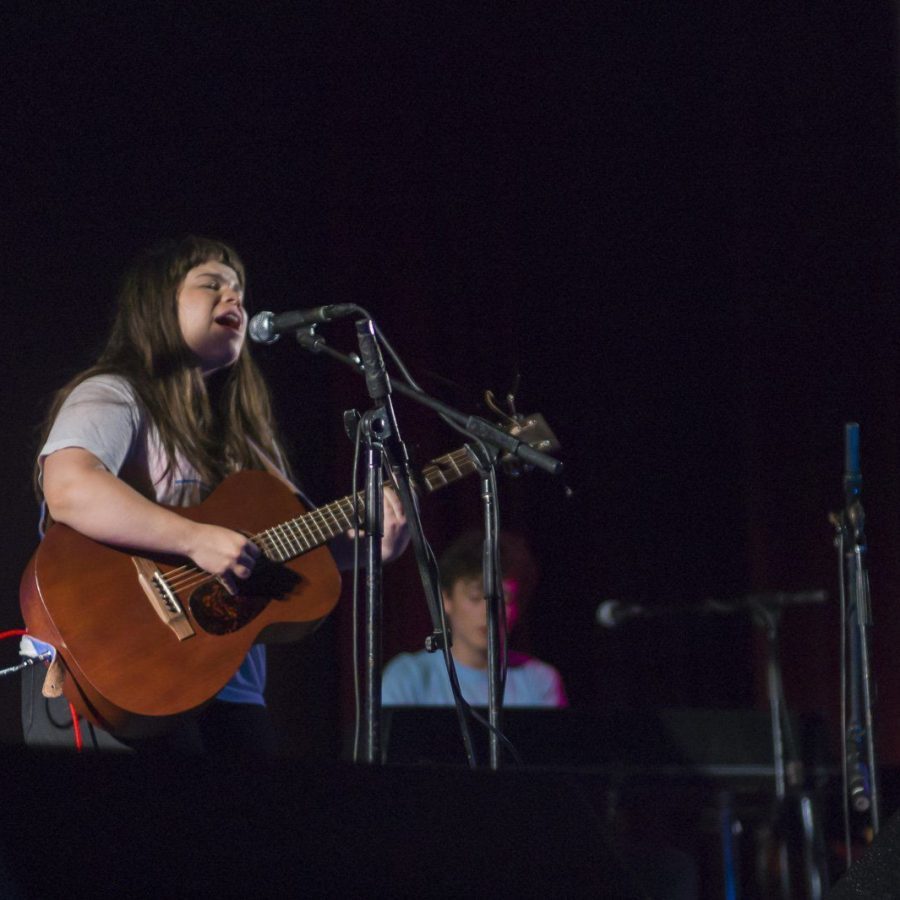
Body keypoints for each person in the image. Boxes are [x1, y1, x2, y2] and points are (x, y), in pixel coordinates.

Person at [29, 235, 408, 754]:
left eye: (240, 292)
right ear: (159, 302)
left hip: (227, 685)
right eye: (212, 285)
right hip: (119, 668)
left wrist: (371, 547)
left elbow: (290, 546)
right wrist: (193, 539)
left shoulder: (247, 437)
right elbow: (70, 488)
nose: (235, 300)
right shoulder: (114, 394)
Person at [382, 530, 567, 706]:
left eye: (504, 599)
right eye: (475, 597)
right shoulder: (409, 677)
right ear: (446, 599)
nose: (489, 612)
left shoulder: (539, 680)